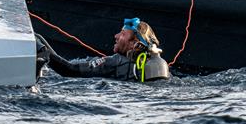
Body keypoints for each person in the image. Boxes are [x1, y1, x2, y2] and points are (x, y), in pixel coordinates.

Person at [36, 18, 171, 82]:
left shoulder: (115, 62)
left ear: (134, 44)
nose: (116, 36)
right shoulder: (141, 67)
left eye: (123, 34)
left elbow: (68, 70)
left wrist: (39, 45)